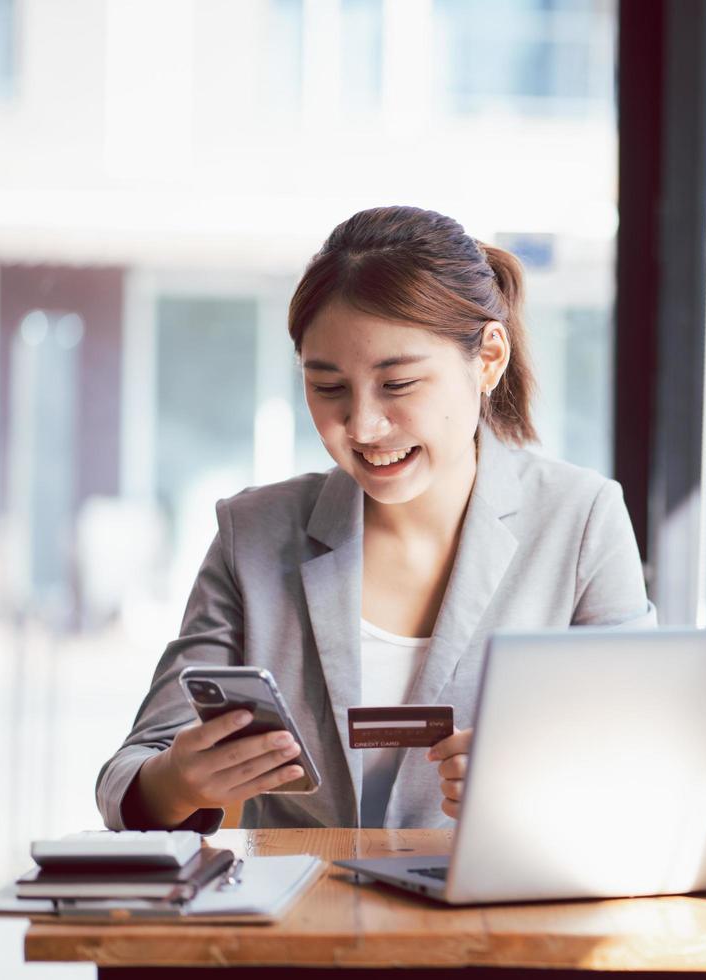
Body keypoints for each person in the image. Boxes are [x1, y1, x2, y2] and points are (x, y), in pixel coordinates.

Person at [97, 206, 655, 832]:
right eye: (328, 388)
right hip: (302, 920)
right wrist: (176, 781)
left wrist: (546, 786)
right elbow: (131, 772)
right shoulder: (251, 533)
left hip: (497, 917)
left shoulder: (580, 522)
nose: (361, 427)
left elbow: (647, 768)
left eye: (399, 385)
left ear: (489, 358)